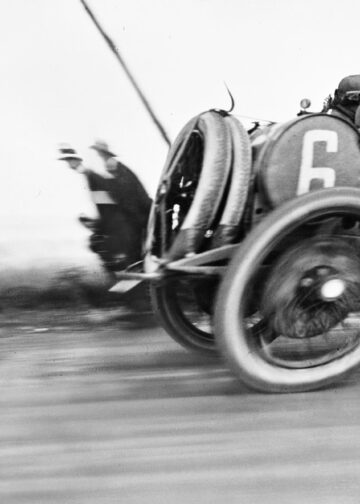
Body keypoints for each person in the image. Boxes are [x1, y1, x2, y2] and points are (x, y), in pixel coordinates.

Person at [90, 139, 152, 264]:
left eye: (99, 152)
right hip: (138, 210)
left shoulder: (113, 165)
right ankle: (136, 261)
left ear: (104, 153)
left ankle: (136, 263)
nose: (98, 155)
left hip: (137, 211)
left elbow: (125, 192)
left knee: (135, 240)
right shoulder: (116, 166)